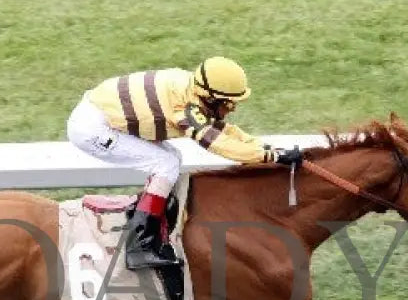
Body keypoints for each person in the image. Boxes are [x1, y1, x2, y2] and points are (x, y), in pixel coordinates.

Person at [66, 56, 301, 269]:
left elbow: (227, 131)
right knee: (165, 164)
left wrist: (268, 149)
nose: (233, 108)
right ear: (211, 98)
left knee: (171, 160)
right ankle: (140, 244)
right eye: (228, 103)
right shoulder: (185, 109)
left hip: (101, 112)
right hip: (93, 128)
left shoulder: (194, 92)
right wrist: (270, 157)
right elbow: (218, 144)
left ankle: (147, 216)